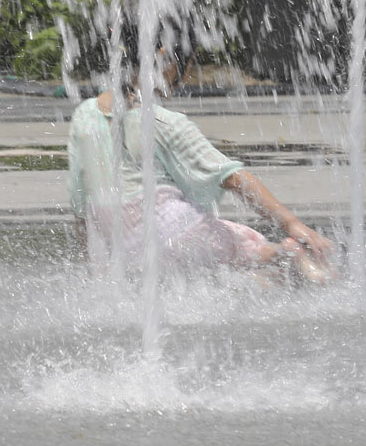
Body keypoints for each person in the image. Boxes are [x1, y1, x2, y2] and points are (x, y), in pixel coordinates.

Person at [67, 38, 332, 284]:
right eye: (186, 65)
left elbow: (81, 205)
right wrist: (292, 224)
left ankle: (271, 279)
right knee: (250, 255)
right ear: (164, 58)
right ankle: (291, 257)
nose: (183, 79)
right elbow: (232, 177)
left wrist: (95, 272)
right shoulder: (163, 122)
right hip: (179, 232)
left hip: (130, 250)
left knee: (216, 283)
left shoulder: (83, 117)